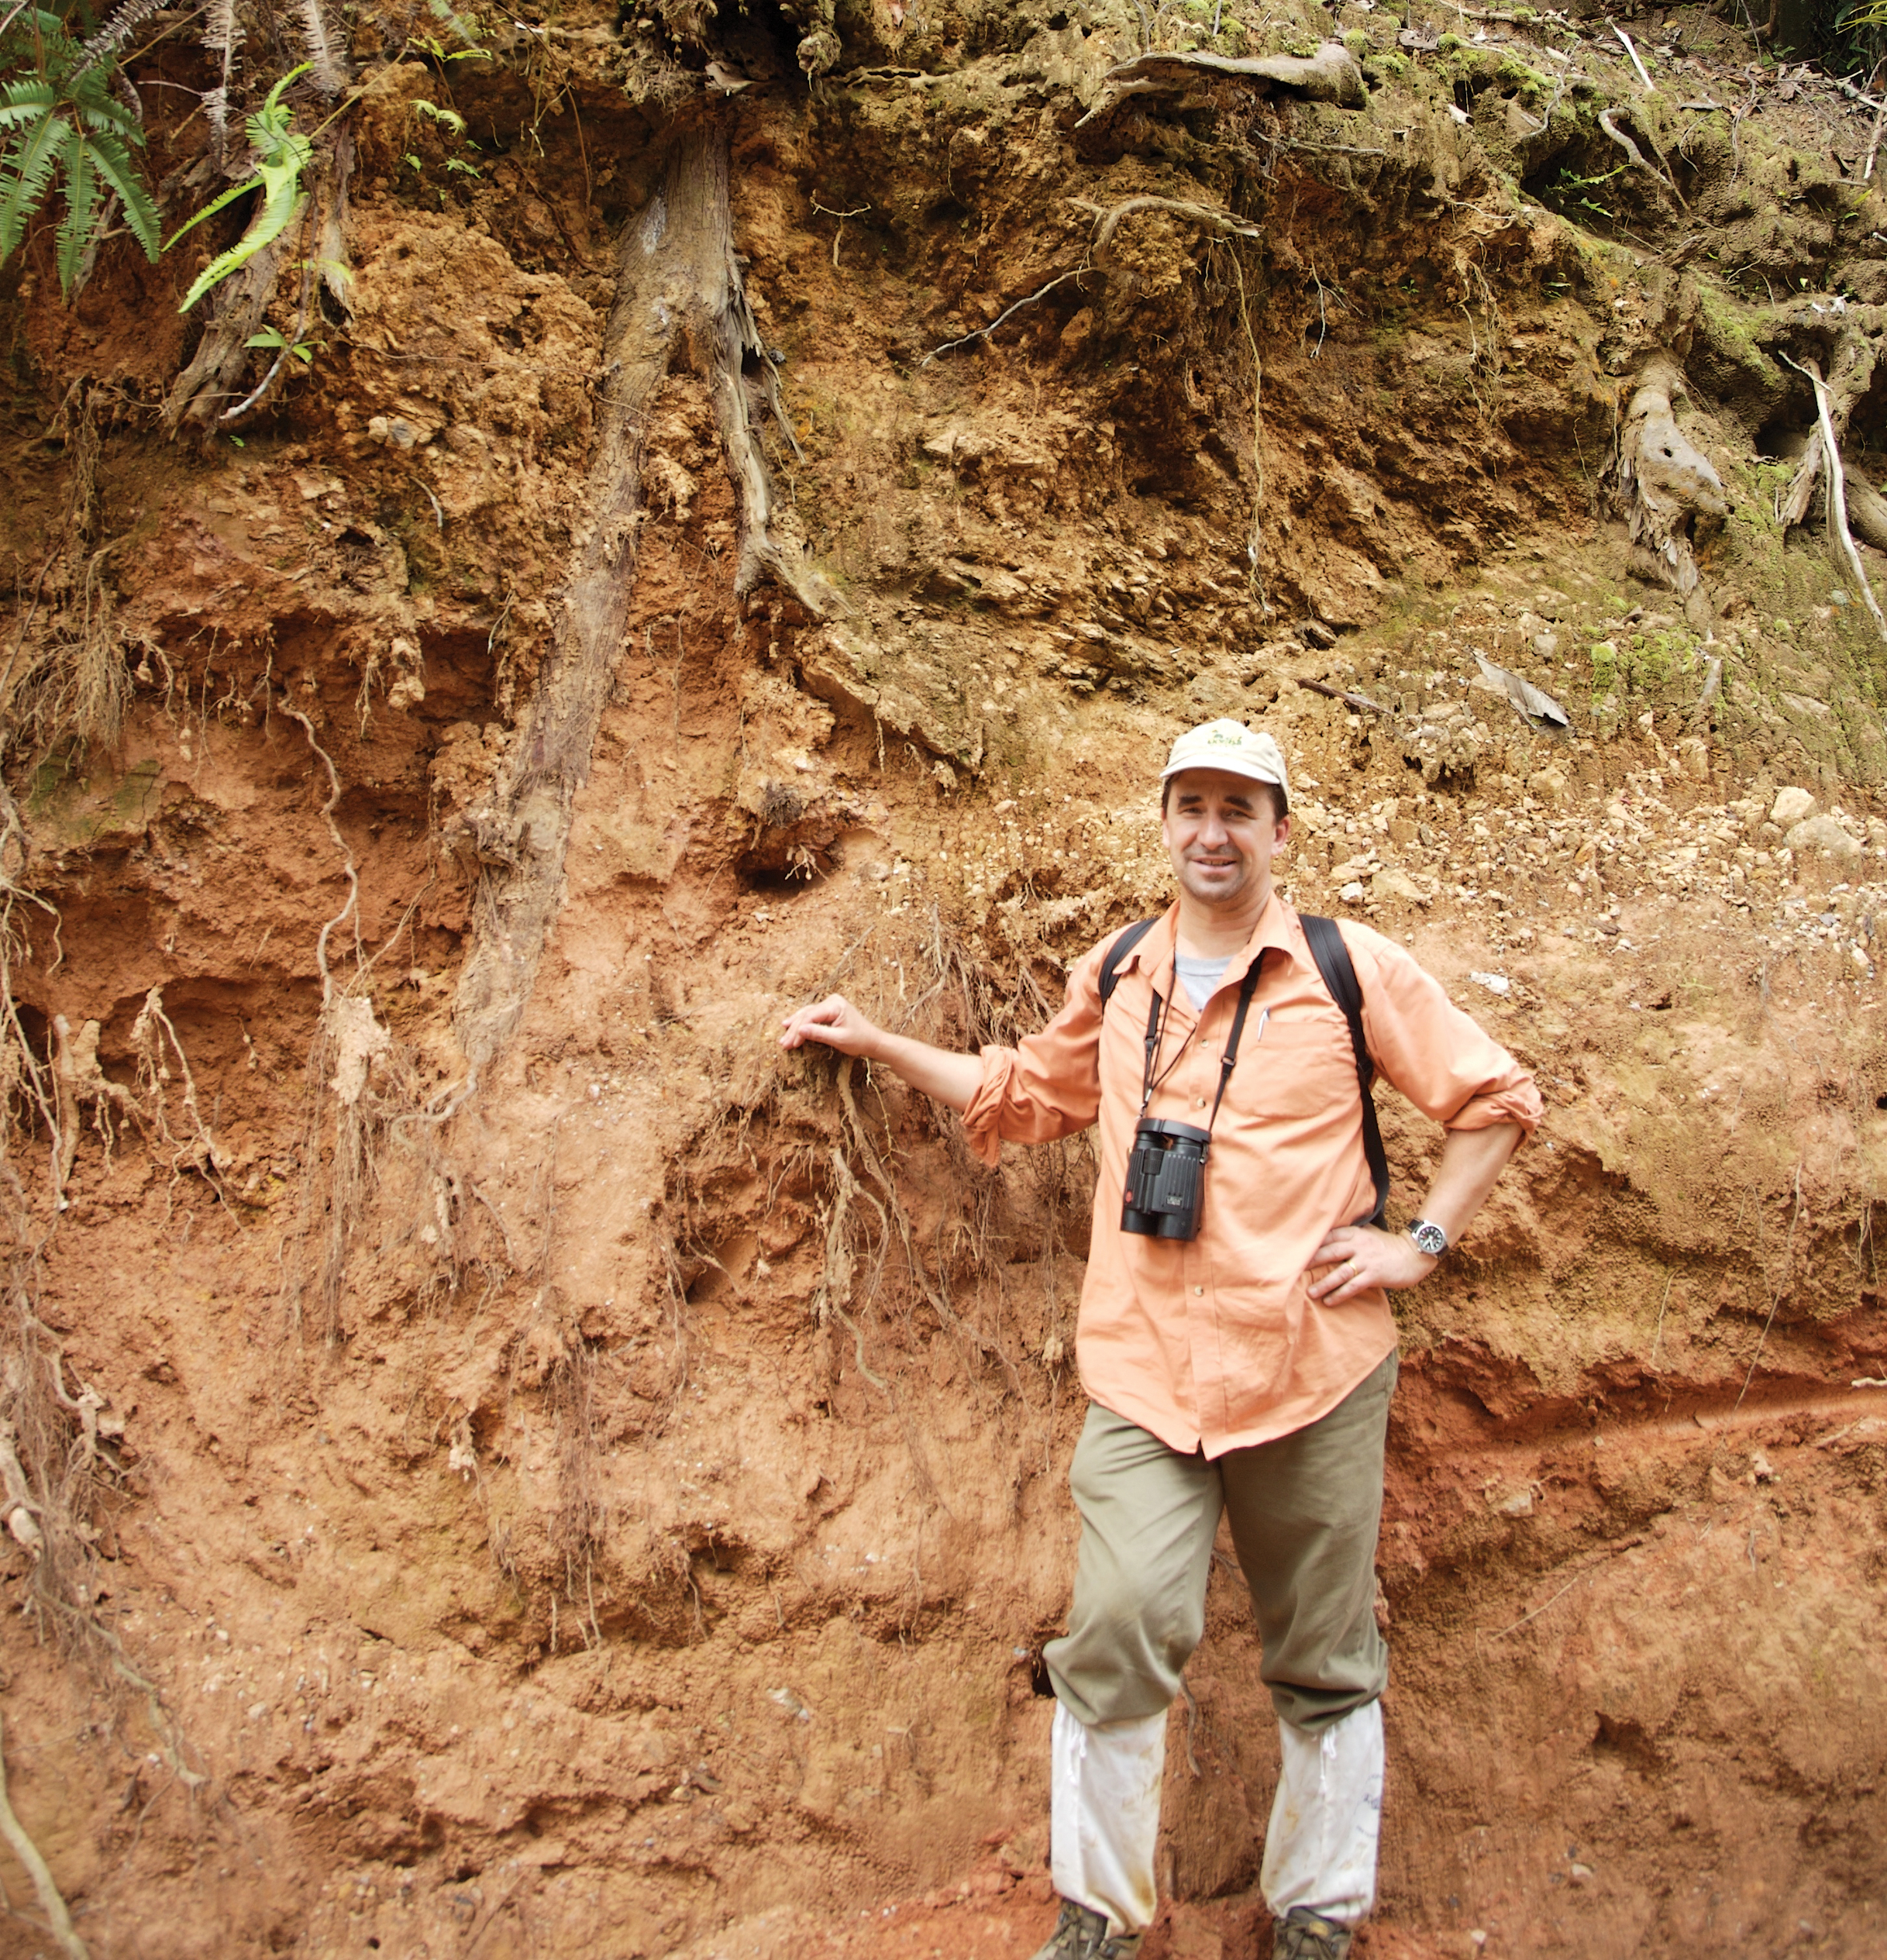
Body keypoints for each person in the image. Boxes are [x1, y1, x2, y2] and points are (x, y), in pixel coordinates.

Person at [778, 719, 1541, 1960]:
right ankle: (1104, 1916)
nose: (1214, 832)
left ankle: (1318, 1910)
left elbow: (1496, 1098)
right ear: (1166, 822)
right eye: (1193, 805)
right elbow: (1023, 1091)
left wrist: (1424, 1244)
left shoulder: (1352, 970)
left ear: (1281, 829)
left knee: (1325, 1653)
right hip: (1143, 1375)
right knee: (1120, 1622)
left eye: (1241, 808)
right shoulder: (1122, 969)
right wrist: (875, 1040)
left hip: (1311, 1369)